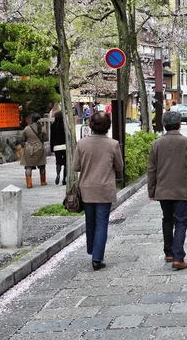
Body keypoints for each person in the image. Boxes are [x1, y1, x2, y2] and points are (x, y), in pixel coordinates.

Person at [147, 111, 187, 270]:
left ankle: (169, 252)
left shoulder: (156, 144)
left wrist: (152, 190)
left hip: (163, 189)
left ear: (164, 125)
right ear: (179, 124)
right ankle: (178, 257)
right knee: (181, 221)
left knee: (167, 219)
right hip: (181, 188)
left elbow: (152, 169)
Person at [73, 112, 124, 271]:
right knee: (102, 223)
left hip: (87, 188)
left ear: (91, 125)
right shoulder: (113, 144)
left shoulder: (82, 144)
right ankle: (97, 257)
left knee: (90, 222)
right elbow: (119, 167)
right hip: (104, 189)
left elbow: (76, 167)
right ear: (108, 126)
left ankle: (92, 250)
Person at [20, 113, 48, 188]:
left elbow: (22, 138)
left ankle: (29, 183)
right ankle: (43, 181)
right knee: (42, 165)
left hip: (29, 148)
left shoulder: (27, 128)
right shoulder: (42, 128)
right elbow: (46, 139)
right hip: (39, 148)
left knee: (28, 167)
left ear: (31, 119)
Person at [50, 111, 67, 185]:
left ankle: (58, 175)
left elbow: (52, 137)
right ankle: (64, 179)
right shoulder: (65, 125)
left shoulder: (52, 125)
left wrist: (52, 148)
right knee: (66, 163)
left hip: (56, 146)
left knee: (58, 162)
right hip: (65, 146)